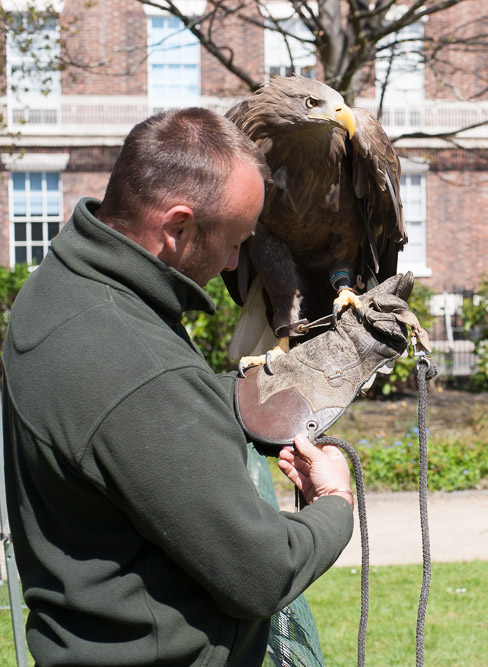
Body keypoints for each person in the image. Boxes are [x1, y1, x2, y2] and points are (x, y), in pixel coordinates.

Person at [2, 107, 357, 665]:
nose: (238, 261)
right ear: (177, 228)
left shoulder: (62, 286)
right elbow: (262, 572)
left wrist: (255, 390)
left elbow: (130, 420)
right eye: (236, 241)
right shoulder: (134, 365)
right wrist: (335, 503)